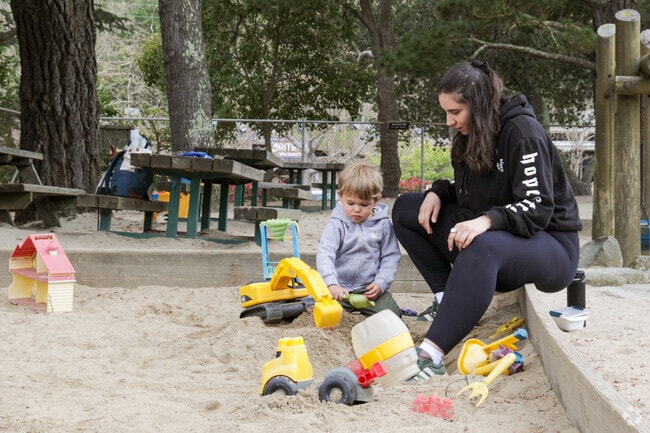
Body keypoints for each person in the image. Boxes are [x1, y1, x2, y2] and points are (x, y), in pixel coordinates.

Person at [391, 60, 582, 380]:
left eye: (455, 112)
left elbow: (538, 206)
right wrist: (438, 192)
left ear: (478, 105)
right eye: (446, 112)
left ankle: (432, 355)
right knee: (407, 209)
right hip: (500, 237)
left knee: (482, 243)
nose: (449, 121)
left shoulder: (523, 133)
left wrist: (487, 220)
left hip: (551, 245)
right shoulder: (469, 135)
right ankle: (446, 302)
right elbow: (474, 194)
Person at [316, 161, 402, 317]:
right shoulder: (337, 224)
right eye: (350, 203)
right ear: (340, 196)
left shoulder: (382, 224)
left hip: (368, 288)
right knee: (327, 314)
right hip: (339, 288)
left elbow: (391, 256)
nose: (356, 209)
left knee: (392, 314)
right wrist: (331, 283)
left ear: (376, 201)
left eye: (364, 204)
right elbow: (325, 253)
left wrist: (381, 283)